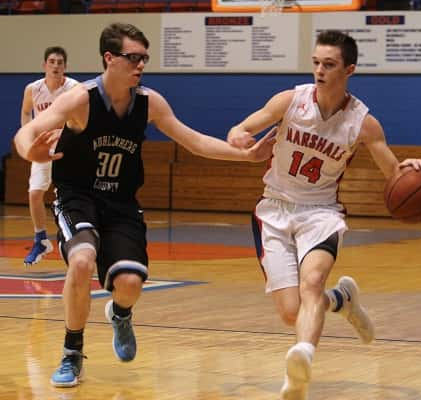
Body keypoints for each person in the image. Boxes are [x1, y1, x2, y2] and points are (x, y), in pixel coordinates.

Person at [13, 22, 275, 388]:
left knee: (131, 283)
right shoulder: (81, 99)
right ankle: (72, 352)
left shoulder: (150, 102)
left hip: (121, 203)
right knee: (82, 259)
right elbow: (26, 131)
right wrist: (30, 150)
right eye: (132, 57)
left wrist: (245, 157)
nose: (140, 65)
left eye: (144, 59)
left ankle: (120, 313)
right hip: (77, 198)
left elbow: (194, 141)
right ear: (109, 58)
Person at [227, 30, 421, 400]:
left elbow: (393, 172)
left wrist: (411, 169)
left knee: (311, 284)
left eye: (329, 64)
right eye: (316, 63)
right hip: (274, 208)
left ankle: (300, 366)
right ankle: (341, 300)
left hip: (320, 212)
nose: (320, 71)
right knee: (292, 312)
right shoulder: (290, 101)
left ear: (349, 69)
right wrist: (239, 137)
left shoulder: (362, 122)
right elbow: (242, 127)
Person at [20, 46, 78, 267]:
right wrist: (29, 135)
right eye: (52, 61)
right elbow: (26, 112)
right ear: (44, 65)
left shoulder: (73, 88)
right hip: (43, 147)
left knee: (71, 195)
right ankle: (41, 239)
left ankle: (77, 238)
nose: (56, 66)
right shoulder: (33, 89)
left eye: (60, 62)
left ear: (65, 66)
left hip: (67, 148)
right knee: (35, 194)